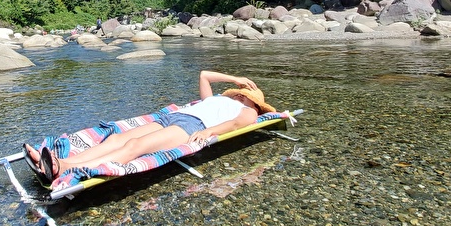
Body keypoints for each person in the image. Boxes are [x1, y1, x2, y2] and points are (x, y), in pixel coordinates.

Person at [23, 70, 276, 184]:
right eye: (241, 91)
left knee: (135, 147)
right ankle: (60, 161)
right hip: (176, 115)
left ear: (253, 100)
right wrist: (234, 79)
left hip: (192, 125)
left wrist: (209, 132)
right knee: (114, 140)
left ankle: (63, 167)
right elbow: (203, 75)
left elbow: (235, 124)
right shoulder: (220, 98)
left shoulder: (248, 111)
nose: (241, 93)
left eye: (245, 92)